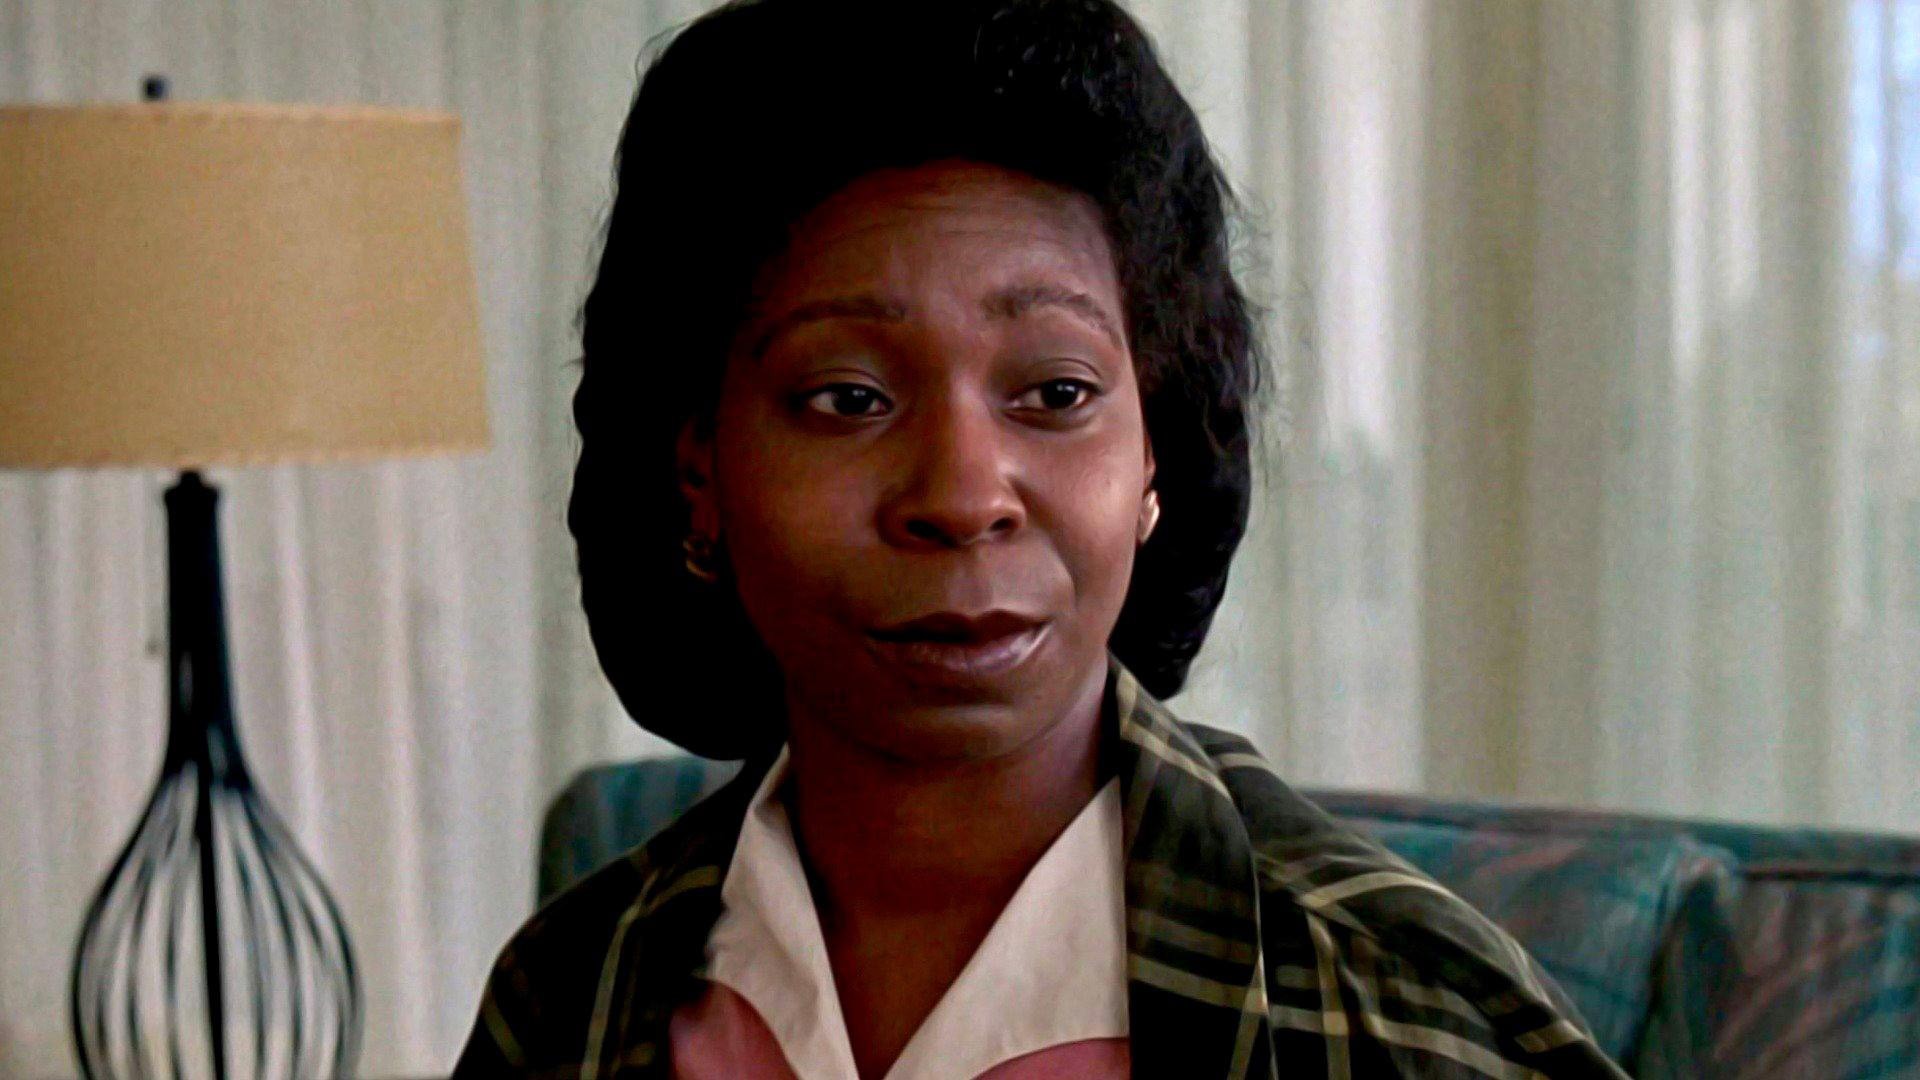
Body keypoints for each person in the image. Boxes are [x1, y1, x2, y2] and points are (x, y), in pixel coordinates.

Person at [454, 1, 1629, 1076]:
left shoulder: (1406, 1018)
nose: (965, 495)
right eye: (849, 399)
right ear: (698, 471)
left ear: (1155, 454)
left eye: (1057, 393)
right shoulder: (572, 1001)